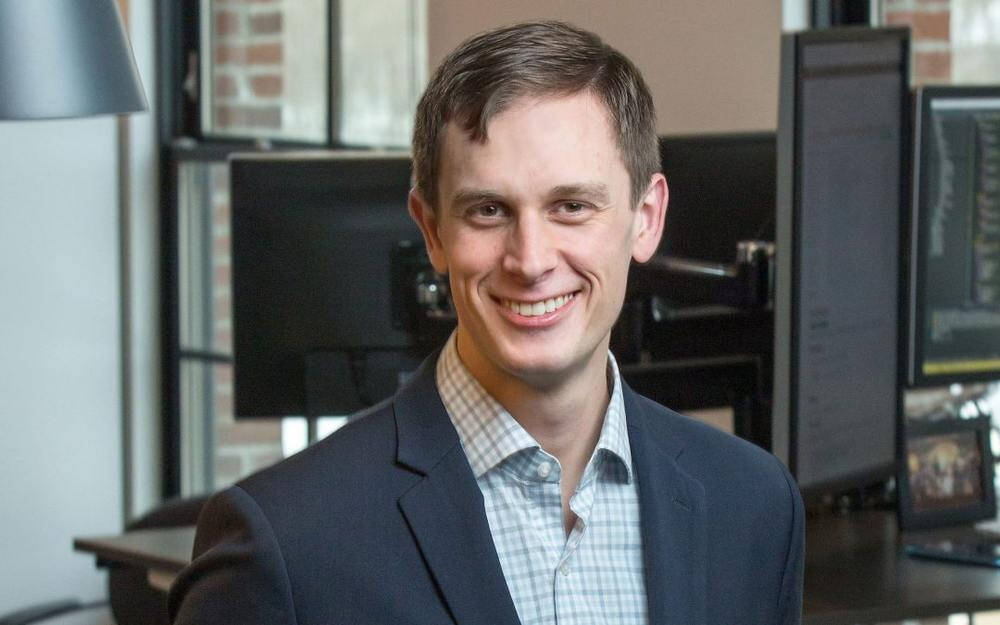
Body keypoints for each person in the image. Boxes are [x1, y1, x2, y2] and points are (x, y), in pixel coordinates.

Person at [169, 20, 804, 625]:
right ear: (431, 231)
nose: (530, 261)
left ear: (646, 218)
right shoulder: (286, 544)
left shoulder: (753, 506)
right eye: (489, 210)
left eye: (571, 206)